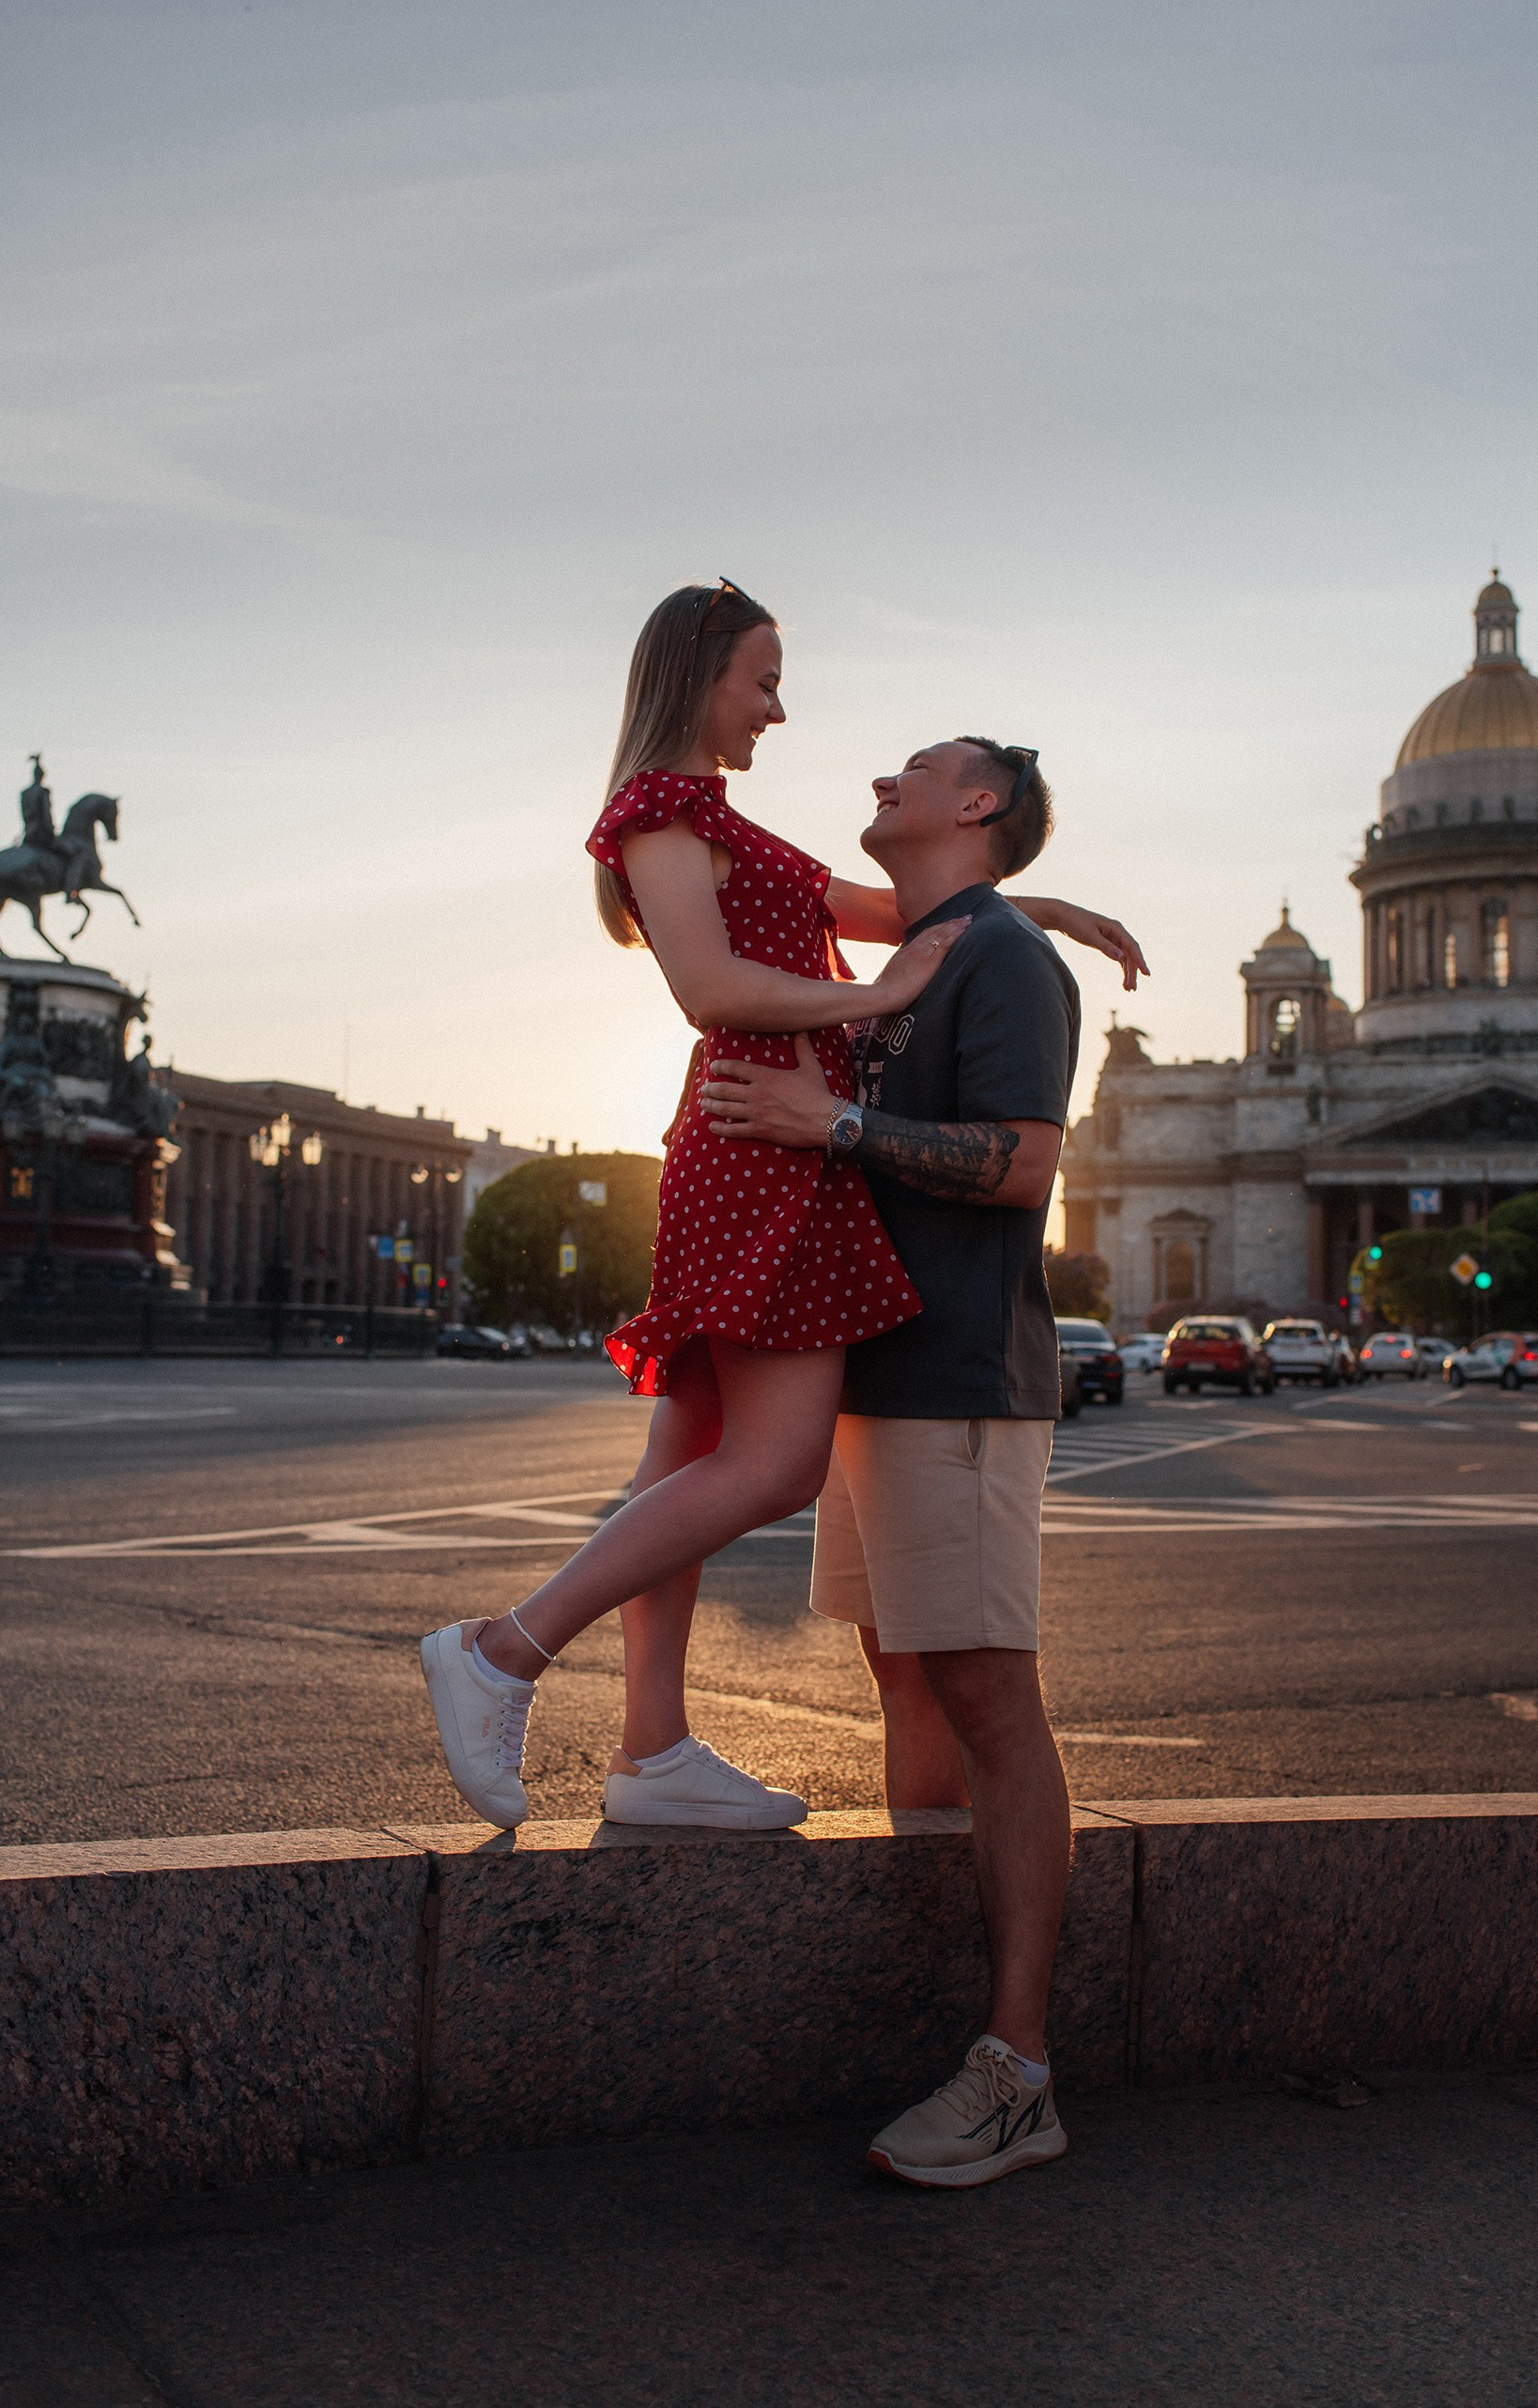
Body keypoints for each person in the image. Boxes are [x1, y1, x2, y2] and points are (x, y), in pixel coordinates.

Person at [422, 582, 1144, 1842]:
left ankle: (650, 1749)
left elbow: (911, 922)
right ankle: (502, 1650)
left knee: (687, 1456)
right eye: (762, 680)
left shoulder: (722, 823)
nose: (779, 706)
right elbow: (710, 987)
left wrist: (1043, 908)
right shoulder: (658, 808)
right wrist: (872, 1004)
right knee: (775, 1460)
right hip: (761, 1142)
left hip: (766, 1140)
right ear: (699, 675)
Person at [699, 733, 1099, 2187]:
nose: (885, 775)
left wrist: (838, 1121)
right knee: (902, 1667)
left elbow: (1025, 1164)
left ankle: (1017, 2067)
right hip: (875, 1373)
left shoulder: (1000, 965)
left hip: (960, 1378)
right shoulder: (932, 949)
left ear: (977, 807)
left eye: (920, 767)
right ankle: (943, 1991)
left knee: (990, 1689)